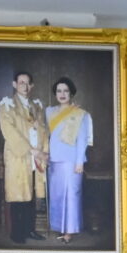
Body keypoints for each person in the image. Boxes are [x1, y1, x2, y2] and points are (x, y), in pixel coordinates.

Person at [0, 69, 44, 247]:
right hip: (19, 155)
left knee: (31, 194)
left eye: (27, 83)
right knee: (18, 194)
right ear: (15, 84)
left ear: (32, 86)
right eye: (21, 82)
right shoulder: (7, 105)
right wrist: (30, 149)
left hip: (35, 156)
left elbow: (43, 128)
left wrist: (41, 148)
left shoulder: (36, 106)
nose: (24, 86)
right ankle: (17, 233)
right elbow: (9, 131)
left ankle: (30, 229)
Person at [44, 78, 91, 239]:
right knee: (57, 196)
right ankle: (60, 227)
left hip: (71, 161)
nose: (62, 94)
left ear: (71, 93)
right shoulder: (49, 112)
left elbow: (82, 139)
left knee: (71, 196)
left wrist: (79, 161)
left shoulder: (80, 114)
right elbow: (45, 133)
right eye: (59, 91)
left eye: (65, 91)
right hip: (54, 160)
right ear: (55, 93)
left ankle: (69, 231)